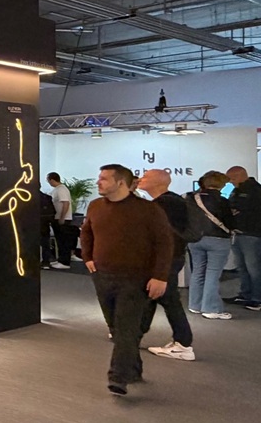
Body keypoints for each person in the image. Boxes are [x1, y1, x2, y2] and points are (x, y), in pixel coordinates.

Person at [81, 164, 172, 397]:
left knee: (125, 328)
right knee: (116, 327)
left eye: (104, 179)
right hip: (103, 276)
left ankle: (118, 377)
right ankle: (133, 368)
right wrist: (87, 257)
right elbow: (87, 231)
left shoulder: (148, 210)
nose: (98, 182)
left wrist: (160, 276)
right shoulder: (96, 206)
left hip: (135, 278)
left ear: (120, 182)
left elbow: (164, 243)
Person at [135, 170, 195, 362]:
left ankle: (183, 344)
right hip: (168, 258)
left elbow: (162, 236)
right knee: (153, 295)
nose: (140, 179)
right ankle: (134, 334)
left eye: (145, 177)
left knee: (168, 299)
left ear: (158, 182)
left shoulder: (166, 204)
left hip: (167, 259)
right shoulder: (170, 202)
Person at [186, 170, 236, 320]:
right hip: (218, 240)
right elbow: (230, 222)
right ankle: (211, 308)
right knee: (213, 273)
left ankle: (195, 304)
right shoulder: (222, 201)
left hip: (195, 239)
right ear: (220, 184)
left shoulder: (191, 198)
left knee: (198, 271)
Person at [225, 166, 261, 310]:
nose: (230, 182)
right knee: (242, 267)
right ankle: (245, 294)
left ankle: (257, 298)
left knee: (254, 268)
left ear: (241, 175)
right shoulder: (237, 190)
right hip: (238, 233)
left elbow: (250, 210)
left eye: (232, 178)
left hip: (252, 234)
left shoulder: (256, 191)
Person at [46, 172, 74, 270]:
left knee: (63, 241)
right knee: (60, 240)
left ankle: (64, 262)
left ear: (52, 180)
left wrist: (62, 217)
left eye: (48, 180)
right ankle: (61, 260)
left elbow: (66, 203)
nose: (48, 182)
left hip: (63, 219)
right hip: (58, 218)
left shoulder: (61, 189)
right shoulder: (57, 189)